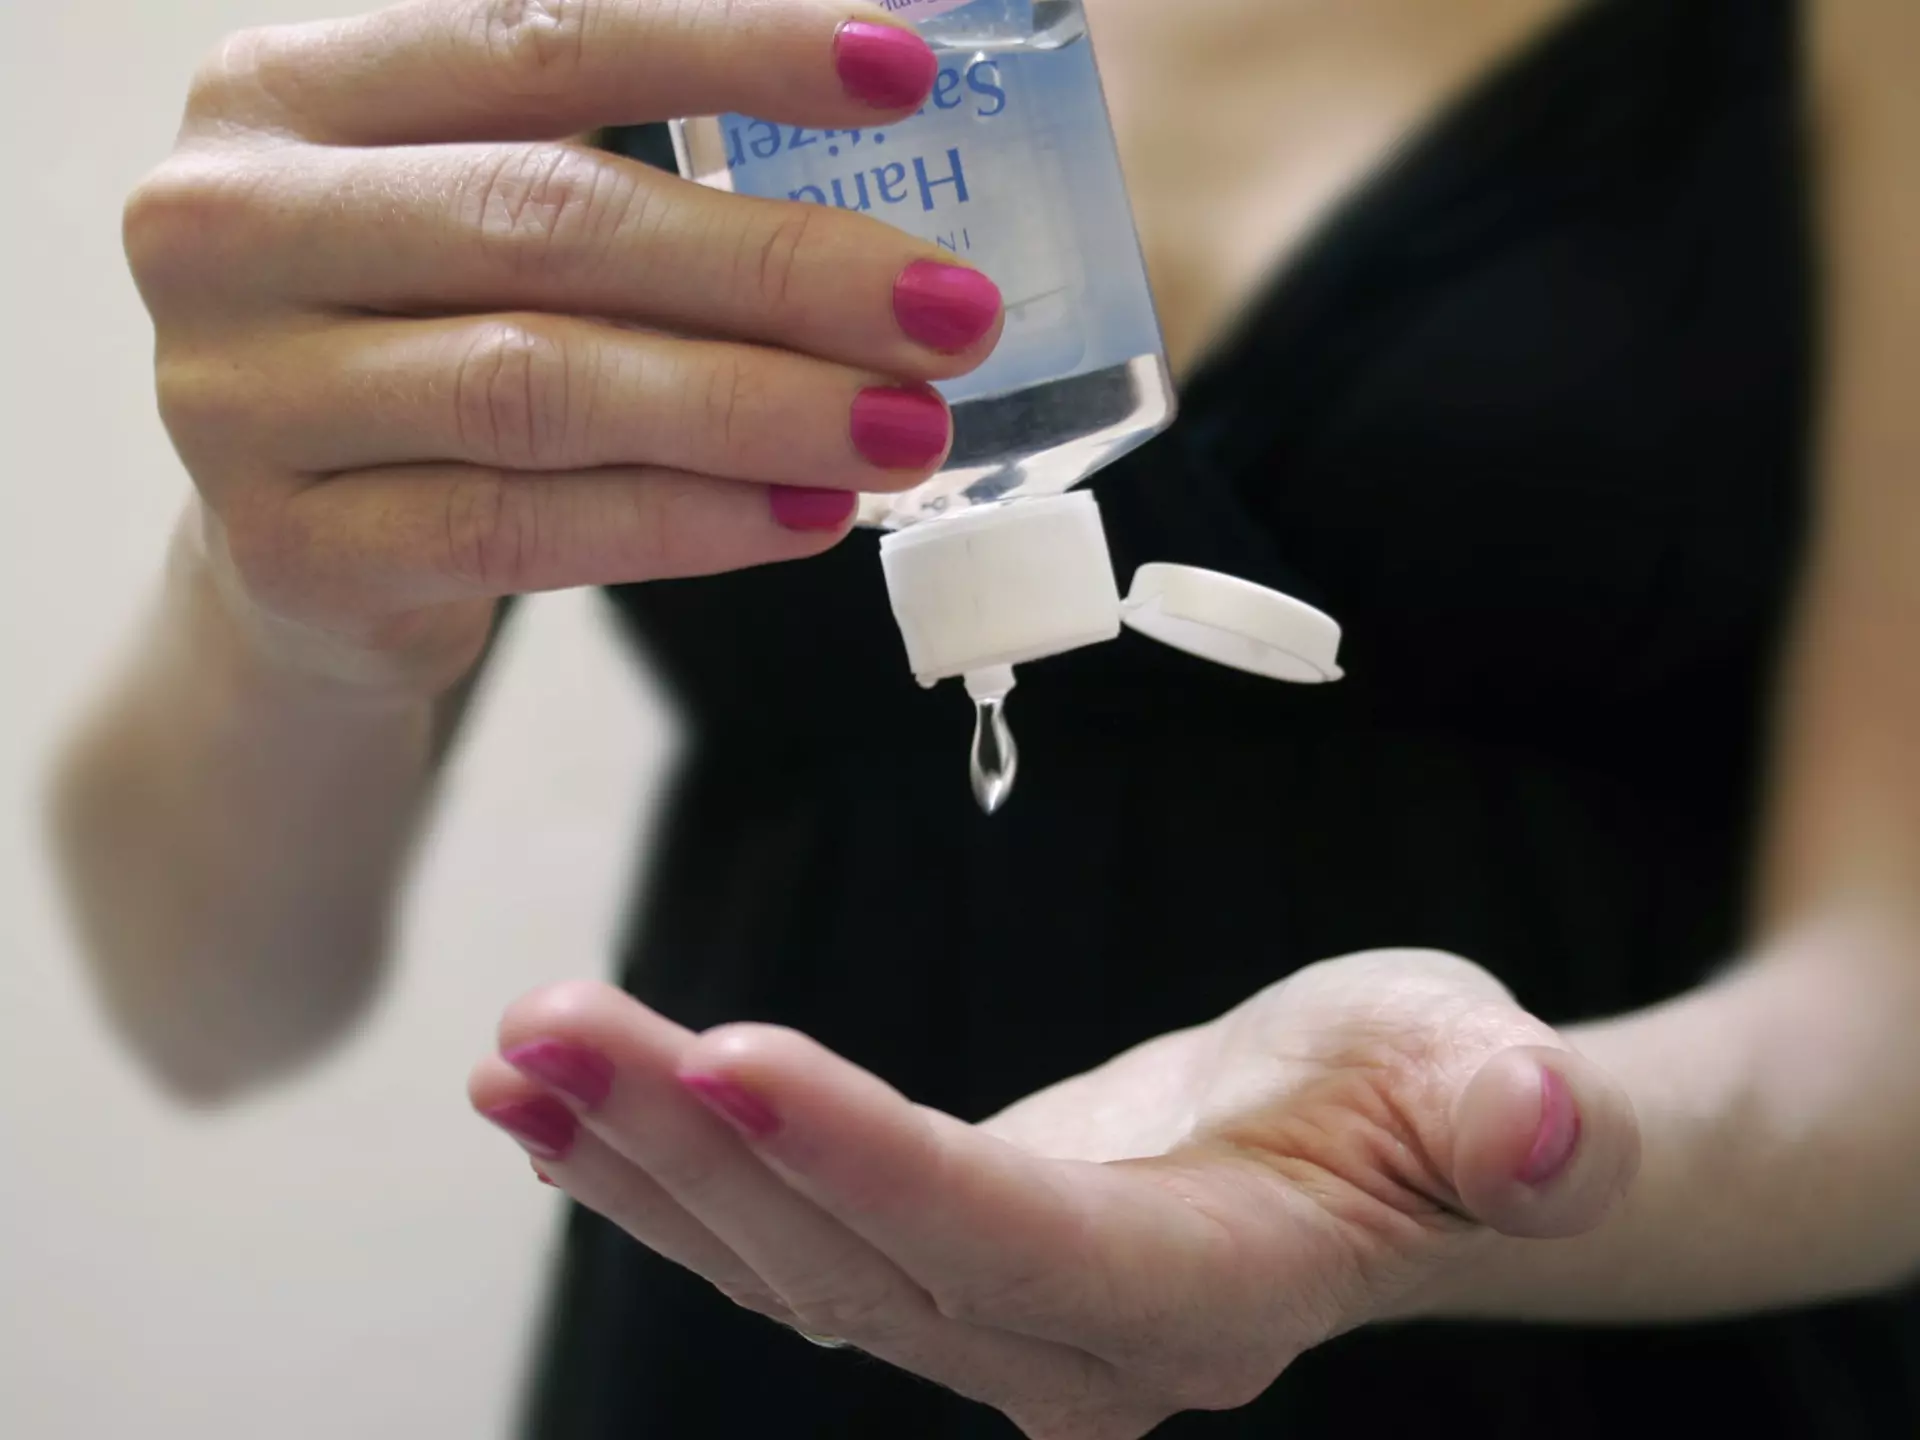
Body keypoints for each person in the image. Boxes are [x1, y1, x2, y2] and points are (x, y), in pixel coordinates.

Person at [48, 0, 1920, 1434]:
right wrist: (290, 613)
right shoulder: (672, 41)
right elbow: (213, 997)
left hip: (1625, 1344)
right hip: (766, 1322)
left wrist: (1457, 1169)